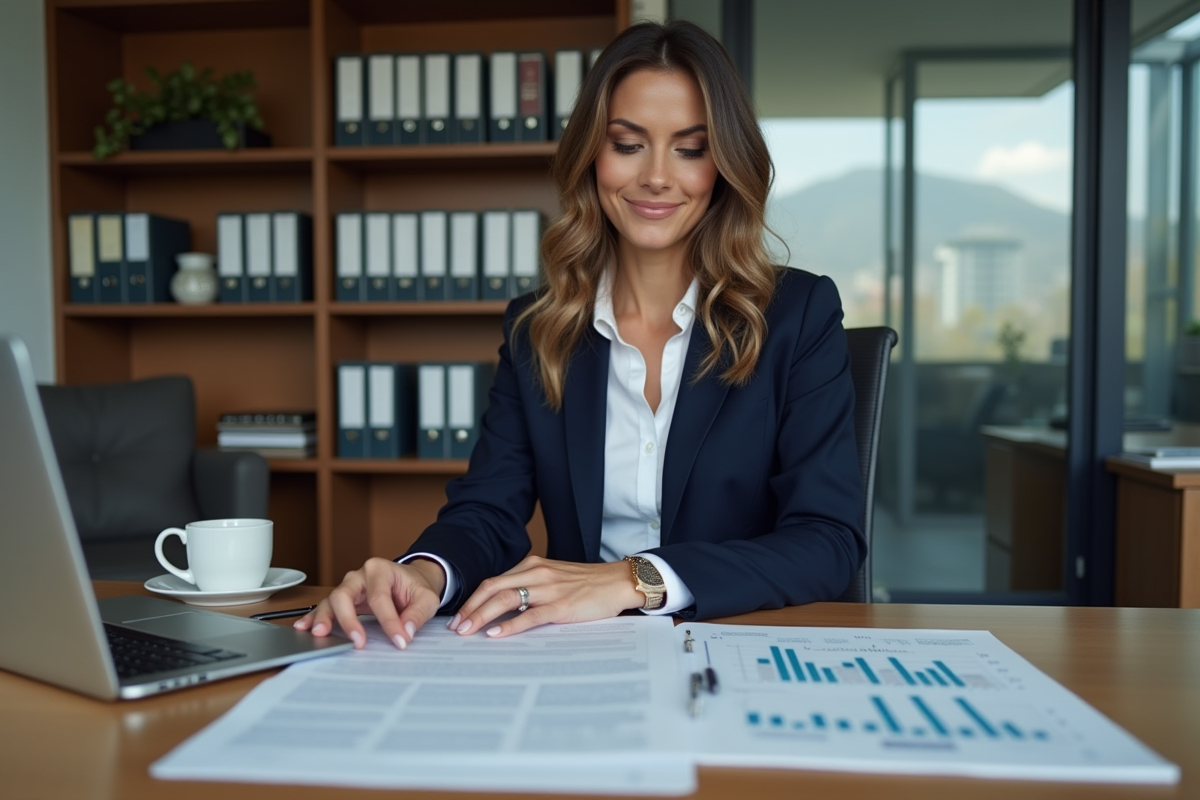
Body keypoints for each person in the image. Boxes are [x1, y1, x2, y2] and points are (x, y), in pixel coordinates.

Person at [296, 20, 865, 650]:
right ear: (591, 155)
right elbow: (487, 509)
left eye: (690, 148)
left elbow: (828, 540)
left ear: (724, 164)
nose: (655, 176)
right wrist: (423, 572)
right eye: (627, 145)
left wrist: (634, 579)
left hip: (741, 644)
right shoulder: (537, 328)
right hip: (581, 655)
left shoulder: (799, 313)